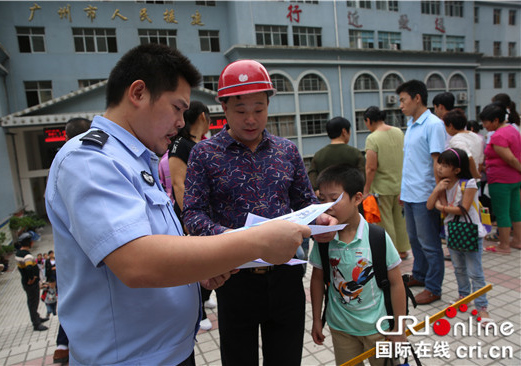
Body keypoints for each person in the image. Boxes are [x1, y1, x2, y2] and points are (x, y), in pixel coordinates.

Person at [45, 44, 311, 365]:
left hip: (168, 351)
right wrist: (256, 241)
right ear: (139, 93)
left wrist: (196, 273)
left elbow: (158, 245)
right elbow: (137, 262)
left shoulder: (136, 159)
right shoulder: (91, 160)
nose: (182, 122)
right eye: (176, 108)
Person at [182, 59, 337, 366]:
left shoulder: (286, 151)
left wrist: (321, 220)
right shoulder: (204, 154)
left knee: (287, 358)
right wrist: (232, 238)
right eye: (240, 111)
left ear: (268, 104)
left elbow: (305, 203)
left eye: (259, 109)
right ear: (224, 108)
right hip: (234, 277)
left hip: (287, 275)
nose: (251, 119)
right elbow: (193, 214)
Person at [310, 165, 406, 366]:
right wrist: (317, 319)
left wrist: (399, 328)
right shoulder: (324, 238)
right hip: (341, 328)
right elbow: (318, 279)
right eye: (322, 199)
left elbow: (397, 284)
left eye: (334, 198)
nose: (327, 206)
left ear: (357, 198)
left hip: (379, 330)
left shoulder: (377, 237)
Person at [396, 80, 446, 305]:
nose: (401, 105)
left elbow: (437, 163)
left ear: (417, 98)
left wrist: (438, 195)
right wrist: (402, 191)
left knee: (430, 244)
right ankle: (420, 275)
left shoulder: (433, 125)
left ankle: (434, 288)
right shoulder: (411, 124)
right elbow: (411, 162)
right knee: (415, 240)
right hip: (410, 193)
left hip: (426, 194)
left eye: (403, 100)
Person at [426, 148, 492, 324]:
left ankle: (482, 308)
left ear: (457, 169)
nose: (440, 168)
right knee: (459, 268)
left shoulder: (468, 183)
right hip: (453, 232)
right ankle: (464, 297)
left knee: (475, 272)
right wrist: (437, 189)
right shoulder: (444, 184)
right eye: (440, 163)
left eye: (445, 165)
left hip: (470, 232)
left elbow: (463, 208)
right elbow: (429, 205)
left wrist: (442, 208)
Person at [168, 100, 214, 330]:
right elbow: (179, 184)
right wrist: (189, 218)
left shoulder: (203, 143)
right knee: (198, 264)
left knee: (212, 261)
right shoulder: (180, 144)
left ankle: (205, 298)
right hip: (191, 215)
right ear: (203, 116)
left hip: (208, 214)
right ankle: (199, 312)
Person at [53, 116, 91, 364]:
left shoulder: (60, 162)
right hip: (90, 253)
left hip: (70, 254)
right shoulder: (82, 161)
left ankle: (62, 345)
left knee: (73, 295)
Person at [362, 106, 410, 260]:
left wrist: (366, 189)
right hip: (401, 185)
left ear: (368, 120)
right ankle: (403, 250)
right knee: (400, 220)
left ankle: (392, 253)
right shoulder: (398, 132)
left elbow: (371, 167)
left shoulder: (372, 138)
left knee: (386, 222)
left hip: (382, 188)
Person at [479, 102, 521, 254]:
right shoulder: (512, 130)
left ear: (496, 120)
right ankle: (517, 240)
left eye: (486, 122)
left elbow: (510, 159)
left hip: (501, 180)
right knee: (516, 210)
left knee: (502, 212)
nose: (484, 126)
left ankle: (504, 245)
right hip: (515, 179)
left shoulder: (498, 136)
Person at [308, 116, 365, 192]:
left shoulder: (318, 155)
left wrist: (318, 191)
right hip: (350, 198)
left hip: (327, 200)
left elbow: (311, 176)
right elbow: (362, 177)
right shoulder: (355, 153)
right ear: (344, 132)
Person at [15, 231, 49, 331]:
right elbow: (29, 268)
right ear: (29, 243)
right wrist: (32, 278)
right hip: (31, 283)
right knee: (33, 302)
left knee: (32, 302)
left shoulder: (18, 253)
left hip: (25, 282)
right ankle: (36, 324)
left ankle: (37, 317)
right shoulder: (27, 256)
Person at [443, 109, 484, 179]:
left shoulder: (456, 140)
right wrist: (477, 175)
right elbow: (480, 160)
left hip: (464, 179)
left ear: (451, 126)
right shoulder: (476, 136)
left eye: (445, 126)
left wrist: (475, 175)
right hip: (475, 179)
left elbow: (469, 157)